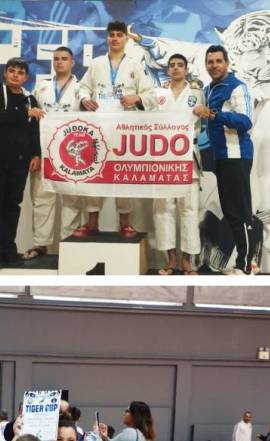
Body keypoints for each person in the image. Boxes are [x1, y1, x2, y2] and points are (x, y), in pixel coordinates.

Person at [74, 21, 156, 239]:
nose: (115, 38)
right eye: (112, 35)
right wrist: (85, 98)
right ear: (107, 38)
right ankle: (92, 221)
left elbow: (150, 94)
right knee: (93, 172)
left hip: (124, 129)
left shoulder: (134, 65)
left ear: (126, 39)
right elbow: (83, 87)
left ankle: (125, 223)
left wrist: (137, 97)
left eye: (119, 35)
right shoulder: (96, 64)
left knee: (123, 174)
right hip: (98, 128)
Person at [195, 45, 258, 275]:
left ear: (227, 63)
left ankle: (246, 266)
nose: (214, 66)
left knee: (240, 212)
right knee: (231, 212)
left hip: (236, 155)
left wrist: (213, 114)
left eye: (218, 61)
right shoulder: (209, 89)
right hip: (221, 157)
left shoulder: (236, 87)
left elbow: (245, 121)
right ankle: (243, 262)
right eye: (210, 62)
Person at [22, 46, 84, 260]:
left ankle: (68, 244)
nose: (59, 62)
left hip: (72, 153)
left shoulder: (82, 89)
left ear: (72, 62)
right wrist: (34, 153)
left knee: (71, 200)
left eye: (64, 58)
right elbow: (31, 121)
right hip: (44, 150)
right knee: (41, 199)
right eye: (56, 58)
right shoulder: (42, 87)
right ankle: (41, 244)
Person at [153, 53, 204, 275]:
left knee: (189, 209)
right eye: (172, 65)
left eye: (180, 65)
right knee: (163, 209)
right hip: (163, 156)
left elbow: (205, 119)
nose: (175, 68)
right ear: (167, 70)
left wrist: (205, 112)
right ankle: (171, 259)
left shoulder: (197, 94)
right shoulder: (158, 94)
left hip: (187, 156)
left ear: (186, 69)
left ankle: (187, 260)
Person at [0, 57, 40, 269]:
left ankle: (9, 250)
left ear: (26, 77)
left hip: (20, 163)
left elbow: (34, 130)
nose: (15, 75)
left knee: (12, 207)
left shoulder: (30, 99)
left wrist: (36, 154)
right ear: (5, 73)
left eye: (20, 72)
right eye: (12, 71)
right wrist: (24, 113)